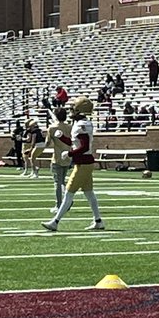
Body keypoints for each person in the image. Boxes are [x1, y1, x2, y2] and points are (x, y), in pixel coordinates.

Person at [42, 97, 104, 232]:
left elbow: (84, 146)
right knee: (89, 193)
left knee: (69, 192)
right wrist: (61, 138)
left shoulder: (83, 125)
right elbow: (74, 143)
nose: (71, 110)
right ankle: (98, 221)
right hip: (84, 162)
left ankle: (55, 221)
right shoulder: (80, 123)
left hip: (83, 162)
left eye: (73, 108)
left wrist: (69, 154)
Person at [44, 108, 71, 213]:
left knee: (57, 182)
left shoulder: (52, 128)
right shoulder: (70, 127)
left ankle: (59, 204)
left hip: (57, 157)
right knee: (63, 182)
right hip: (68, 157)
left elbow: (47, 143)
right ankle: (66, 201)